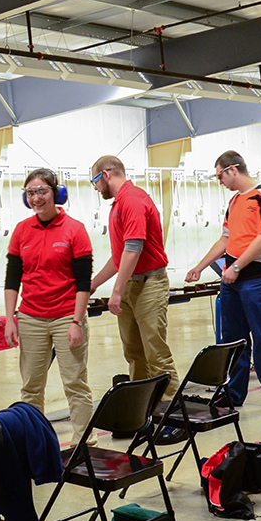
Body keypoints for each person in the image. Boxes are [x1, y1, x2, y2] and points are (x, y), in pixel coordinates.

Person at [185, 152, 261, 413]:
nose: (220, 180)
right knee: (233, 340)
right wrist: (199, 266)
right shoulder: (233, 201)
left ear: (232, 169)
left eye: (219, 174)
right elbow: (225, 239)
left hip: (257, 278)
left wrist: (237, 266)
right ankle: (234, 393)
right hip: (232, 280)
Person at [3, 168, 95, 446]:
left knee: (75, 383)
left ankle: (84, 442)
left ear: (56, 193)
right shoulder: (21, 231)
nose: (36, 198)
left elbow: (83, 283)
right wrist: (10, 319)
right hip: (31, 317)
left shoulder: (75, 230)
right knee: (31, 387)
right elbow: (12, 279)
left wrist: (76, 322)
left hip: (67, 315)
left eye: (42, 191)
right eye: (30, 192)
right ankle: (35, 444)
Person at [90, 156, 181, 413]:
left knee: (155, 350)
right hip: (132, 283)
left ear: (106, 175)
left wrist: (116, 292)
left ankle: (171, 409)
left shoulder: (132, 200)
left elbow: (134, 248)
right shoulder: (118, 204)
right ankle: (142, 409)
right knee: (134, 352)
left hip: (149, 284)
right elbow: (120, 256)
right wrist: (94, 284)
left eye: (95, 181)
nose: (96, 188)